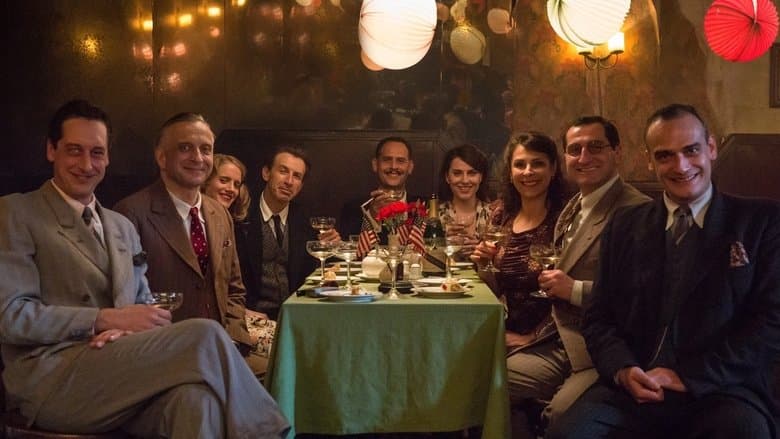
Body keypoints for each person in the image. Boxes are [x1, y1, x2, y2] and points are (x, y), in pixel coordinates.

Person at [0, 99, 288, 437]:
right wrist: (103, 319)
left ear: (108, 158)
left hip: (125, 369)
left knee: (197, 401)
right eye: (74, 151)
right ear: (52, 150)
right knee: (206, 333)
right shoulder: (17, 213)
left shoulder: (120, 226)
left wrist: (130, 330)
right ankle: (272, 433)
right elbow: (10, 316)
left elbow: (145, 308)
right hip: (56, 379)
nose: (87, 164)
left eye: (97, 153)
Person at [549, 104, 780, 439]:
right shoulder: (625, 225)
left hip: (723, 388)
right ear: (649, 161)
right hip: (633, 387)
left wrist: (688, 377)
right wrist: (622, 369)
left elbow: (771, 323)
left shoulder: (761, 222)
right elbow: (598, 318)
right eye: (665, 155)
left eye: (691, 150)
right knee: (568, 433)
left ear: (711, 148)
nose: (681, 166)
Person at [509, 116, 650, 435]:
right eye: (575, 150)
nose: (584, 157)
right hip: (560, 342)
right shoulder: (575, 204)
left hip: (600, 351)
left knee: (561, 416)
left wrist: (574, 289)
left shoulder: (636, 210)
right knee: (492, 381)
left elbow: (641, 296)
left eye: (595, 147)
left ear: (617, 151)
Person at [114, 113, 260, 373]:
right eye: (185, 148)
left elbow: (234, 289)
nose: (198, 158)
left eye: (206, 149)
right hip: (162, 356)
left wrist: (234, 341)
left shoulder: (220, 214)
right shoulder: (130, 214)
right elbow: (124, 303)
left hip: (220, 347)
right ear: (162, 157)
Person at [470, 131, 566, 369]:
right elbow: (495, 290)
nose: (528, 172)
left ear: (553, 169)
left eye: (537, 164)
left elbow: (569, 300)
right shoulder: (502, 214)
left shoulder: (565, 219)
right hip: (506, 331)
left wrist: (531, 337)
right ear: (510, 173)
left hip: (551, 339)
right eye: (520, 165)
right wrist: (484, 264)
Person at [240, 146, 339, 320]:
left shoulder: (307, 220)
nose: (289, 181)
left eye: (297, 176)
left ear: (301, 185)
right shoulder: (241, 215)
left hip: (297, 314)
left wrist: (332, 249)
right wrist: (242, 312)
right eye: (283, 171)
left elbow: (321, 274)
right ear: (266, 173)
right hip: (252, 315)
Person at [339, 136, 421, 240]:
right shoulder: (352, 209)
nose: (393, 166)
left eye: (400, 161)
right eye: (387, 160)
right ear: (375, 164)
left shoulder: (426, 207)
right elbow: (348, 245)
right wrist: (372, 217)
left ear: (410, 167)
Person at [437, 143, 492, 255]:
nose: (465, 180)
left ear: (481, 177)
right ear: (447, 177)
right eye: (457, 173)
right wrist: (441, 243)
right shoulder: (432, 217)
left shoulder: (494, 215)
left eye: (472, 173)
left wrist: (484, 252)